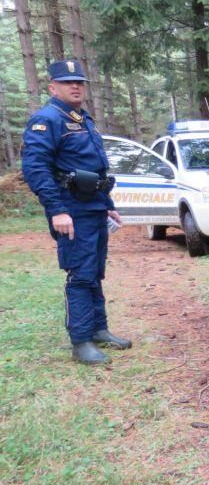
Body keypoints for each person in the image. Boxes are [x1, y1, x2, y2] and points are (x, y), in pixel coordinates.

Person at [21, 59, 132, 365]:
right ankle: (81, 341)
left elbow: (94, 169)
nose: (75, 86)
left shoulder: (83, 120)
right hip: (70, 209)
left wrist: (108, 206)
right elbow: (35, 168)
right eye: (68, 82)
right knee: (81, 274)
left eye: (79, 82)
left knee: (95, 271)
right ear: (52, 86)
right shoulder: (47, 120)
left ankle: (98, 329)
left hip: (94, 206)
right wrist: (56, 209)